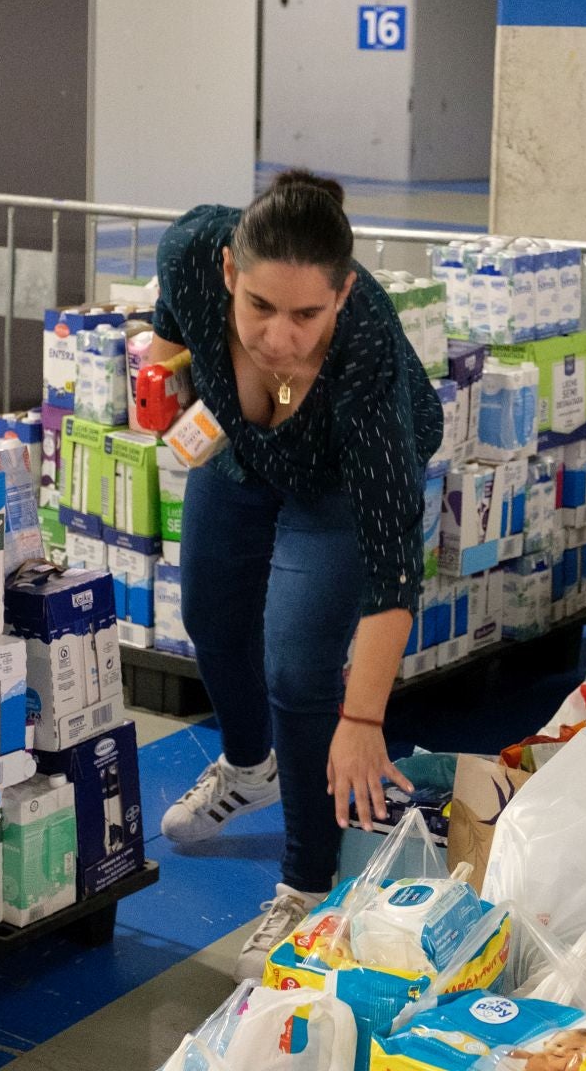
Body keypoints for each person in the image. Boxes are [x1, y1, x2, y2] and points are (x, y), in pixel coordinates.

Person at [149, 169, 443, 978]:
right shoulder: (188, 251)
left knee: (299, 665)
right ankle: (251, 767)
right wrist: (167, 376)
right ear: (228, 276)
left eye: (307, 314)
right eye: (260, 308)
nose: (281, 337)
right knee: (208, 611)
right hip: (243, 446)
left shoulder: (368, 363)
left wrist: (363, 722)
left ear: (344, 295)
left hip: (339, 479)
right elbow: (169, 335)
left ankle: (308, 886)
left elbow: (392, 567)